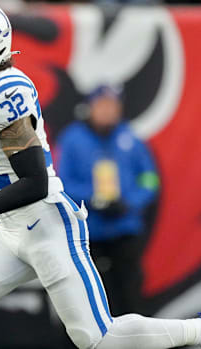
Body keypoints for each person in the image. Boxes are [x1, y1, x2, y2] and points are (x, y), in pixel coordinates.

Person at [0, 1, 201, 349]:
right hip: (11, 229)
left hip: (45, 226)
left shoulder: (3, 95)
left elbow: (35, 183)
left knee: (96, 338)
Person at [56, 84, 159, 316]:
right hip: (88, 233)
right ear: (89, 108)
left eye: (113, 106)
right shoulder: (72, 139)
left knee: (130, 296)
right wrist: (91, 199)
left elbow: (150, 179)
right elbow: (61, 182)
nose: (107, 111)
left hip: (125, 231)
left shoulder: (131, 138)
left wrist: (131, 202)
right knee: (90, 301)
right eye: (102, 105)